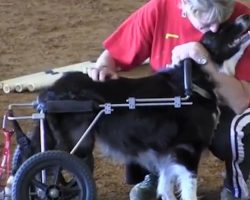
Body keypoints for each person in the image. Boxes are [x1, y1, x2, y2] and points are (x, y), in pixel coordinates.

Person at [87, 0, 250, 199]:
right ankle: (154, 175)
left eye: (222, 18)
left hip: (219, 106)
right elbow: (114, 53)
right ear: (185, 5)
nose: (216, 27)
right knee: (139, 107)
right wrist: (103, 66)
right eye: (207, 21)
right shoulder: (160, 8)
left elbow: (241, 101)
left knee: (235, 132)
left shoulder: (242, 21)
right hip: (170, 102)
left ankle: (237, 180)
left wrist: (203, 60)